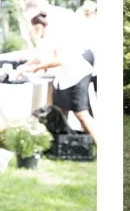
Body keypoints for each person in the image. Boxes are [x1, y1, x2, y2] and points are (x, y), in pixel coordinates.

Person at [22, 7, 97, 143]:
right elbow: (42, 56)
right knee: (59, 110)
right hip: (64, 78)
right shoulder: (45, 36)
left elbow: (58, 60)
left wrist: (36, 67)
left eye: (32, 29)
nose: (31, 32)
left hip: (77, 74)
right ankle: (61, 146)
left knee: (81, 114)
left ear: (38, 26)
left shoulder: (54, 33)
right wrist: (26, 66)